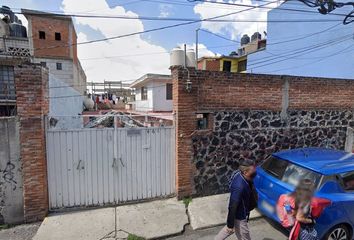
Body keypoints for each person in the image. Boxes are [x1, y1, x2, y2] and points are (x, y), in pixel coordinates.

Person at [215, 159, 258, 240]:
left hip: (241, 213)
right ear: (245, 172)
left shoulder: (240, 174)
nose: (255, 172)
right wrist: (230, 225)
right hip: (240, 216)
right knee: (244, 237)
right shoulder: (239, 187)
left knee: (229, 230)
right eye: (253, 171)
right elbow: (233, 206)